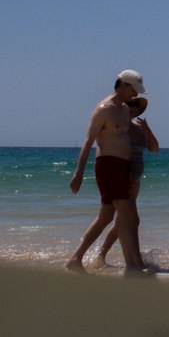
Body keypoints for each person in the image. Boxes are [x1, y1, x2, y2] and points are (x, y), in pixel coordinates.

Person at [67, 70, 151, 274]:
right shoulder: (104, 109)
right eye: (133, 89)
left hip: (123, 166)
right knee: (127, 214)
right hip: (108, 165)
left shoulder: (123, 110)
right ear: (122, 84)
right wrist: (79, 173)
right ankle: (132, 267)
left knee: (105, 217)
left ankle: (75, 259)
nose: (135, 94)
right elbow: (88, 141)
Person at [91, 96, 159, 269]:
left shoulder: (138, 129)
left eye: (137, 105)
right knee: (130, 220)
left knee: (122, 221)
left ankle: (100, 256)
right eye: (131, 104)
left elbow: (154, 149)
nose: (134, 107)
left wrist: (148, 130)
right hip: (123, 177)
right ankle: (135, 262)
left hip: (135, 179)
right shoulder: (118, 128)